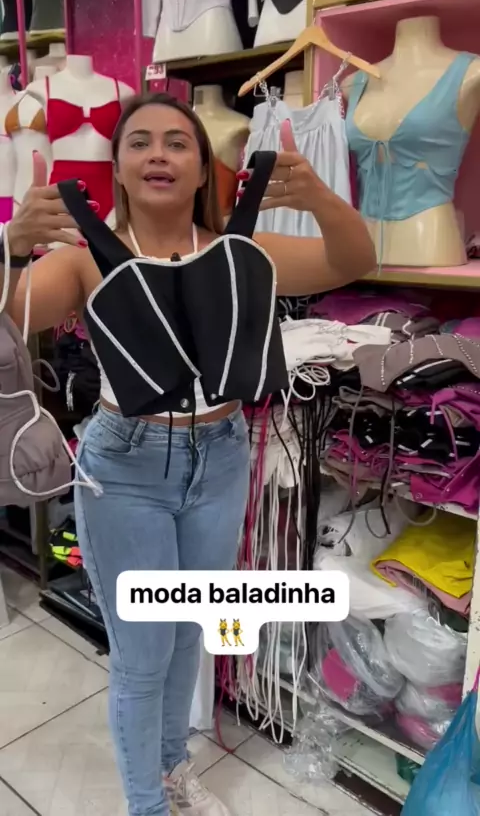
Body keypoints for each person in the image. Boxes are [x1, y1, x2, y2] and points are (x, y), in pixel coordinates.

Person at [0, 93, 375, 816]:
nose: (159, 154)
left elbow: (354, 259)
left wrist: (321, 198)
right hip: (126, 469)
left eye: (178, 142)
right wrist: (14, 248)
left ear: (204, 167)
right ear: (118, 166)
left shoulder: (243, 252)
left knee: (185, 637)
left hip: (222, 459)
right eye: (140, 141)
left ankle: (171, 771)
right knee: (143, 656)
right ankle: (146, 806)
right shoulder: (84, 262)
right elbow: (9, 314)